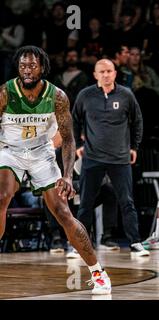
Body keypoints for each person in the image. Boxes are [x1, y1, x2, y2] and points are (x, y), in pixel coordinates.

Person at [0, 46, 110, 294]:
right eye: (22, 66)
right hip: (10, 151)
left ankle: (98, 273)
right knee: (2, 196)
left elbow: (69, 139)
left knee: (63, 212)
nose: (27, 71)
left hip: (42, 153)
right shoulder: (6, 92)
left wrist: (69, 175)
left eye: (32, 66)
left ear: (42, 68)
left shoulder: (57, 96)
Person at [72, 59, 148, 257]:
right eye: (102, 72)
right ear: (95, 75)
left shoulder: (126, 94)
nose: (106, 75)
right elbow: (74, 121)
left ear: (115, 73)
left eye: (109, 71)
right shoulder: (85, 95)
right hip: (92, 157)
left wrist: (134, 147)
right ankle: (78, 245)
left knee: (127, 202)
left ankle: (136, 243)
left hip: (120, 158)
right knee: (85, 203)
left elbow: (137, 121)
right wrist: (79, 146)